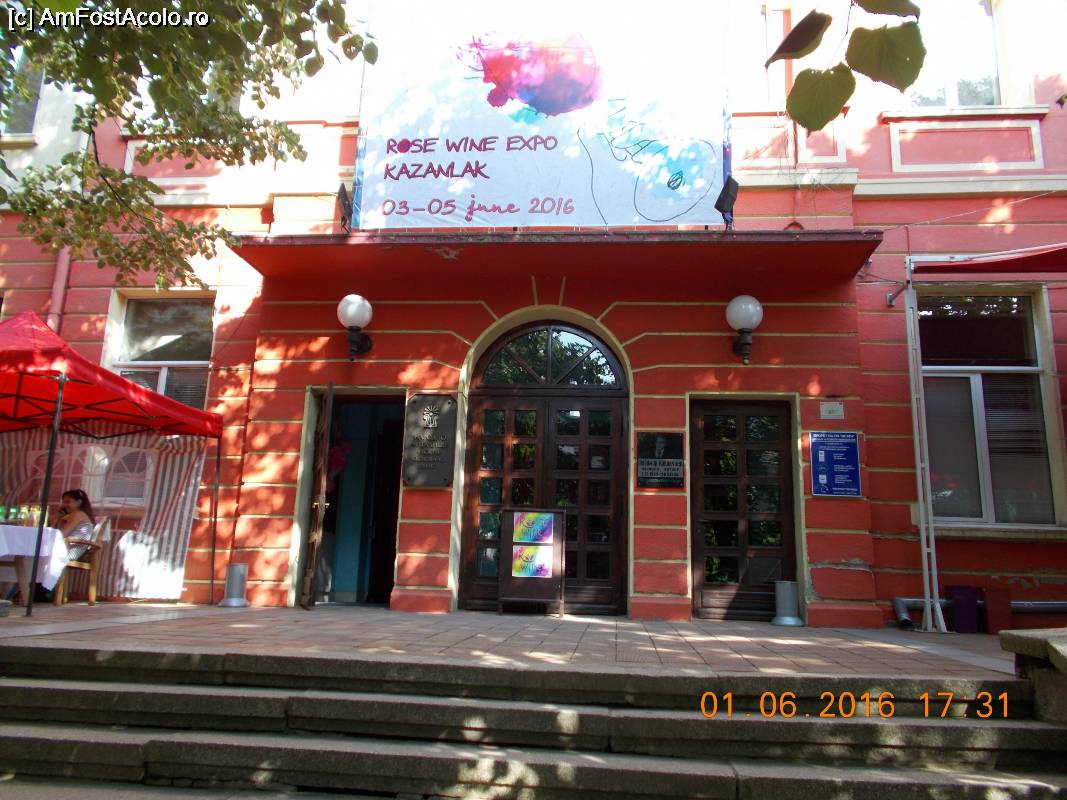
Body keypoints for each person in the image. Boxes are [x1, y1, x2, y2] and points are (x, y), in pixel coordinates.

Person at [13, 489, 96, 605]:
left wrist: (57, 521)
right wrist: (56, 520)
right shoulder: (70, 515)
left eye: (68, 502)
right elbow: (55, 533)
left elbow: (61, 534)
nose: (64, 505)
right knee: (32, 555)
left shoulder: (78, 514)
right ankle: (30, 591)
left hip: (71, 550)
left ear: (79, 502)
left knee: (31, 556)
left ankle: (33, 591)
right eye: (64, 502)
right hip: (66, 547)